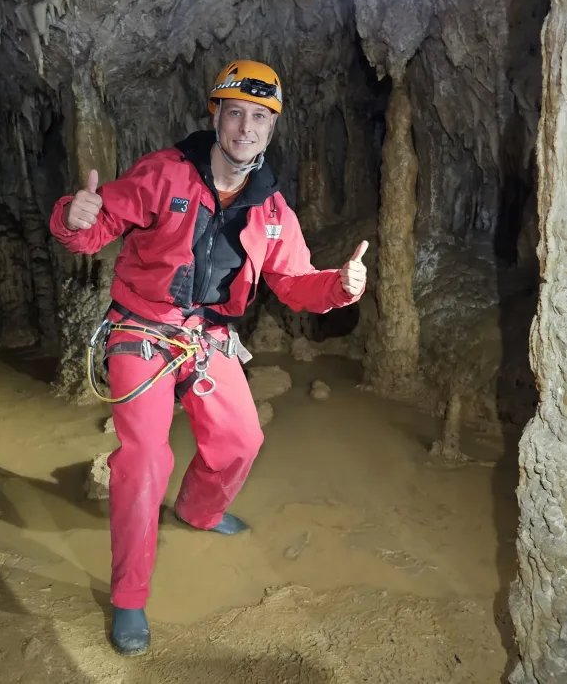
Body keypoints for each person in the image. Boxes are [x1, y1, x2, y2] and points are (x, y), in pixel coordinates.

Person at [50, 60, 367, 656]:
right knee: (144, 458)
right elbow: (97, 226)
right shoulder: (163, 175)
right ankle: (129, 598)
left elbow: (296, 282)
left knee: (241, 441)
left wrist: (341, 286)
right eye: (236, 113)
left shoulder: (272, 211)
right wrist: (74, 216)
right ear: (215, 116)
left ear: (271, 130)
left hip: (209, 336)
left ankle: (197, 512)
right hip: (142, 330)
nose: (246, 128)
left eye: (259, 119)